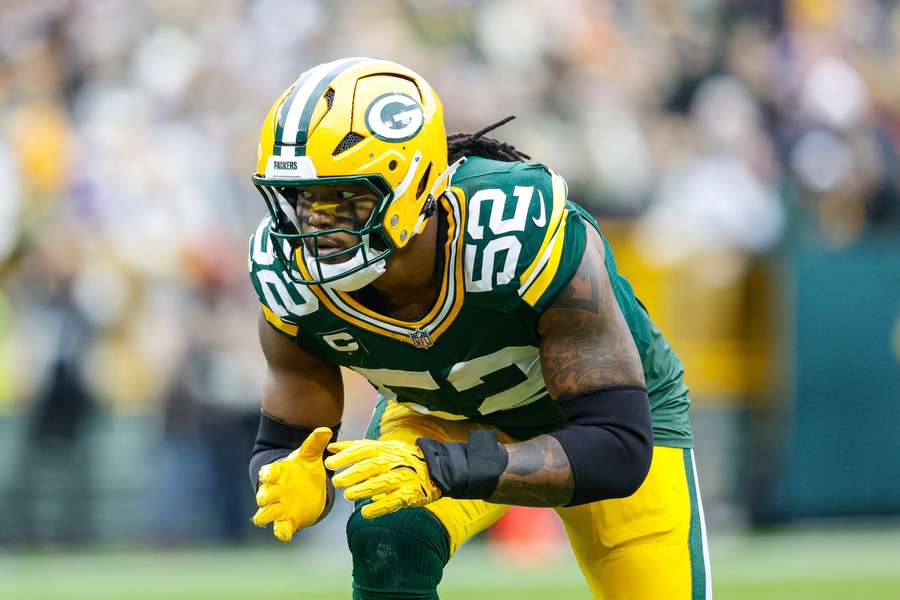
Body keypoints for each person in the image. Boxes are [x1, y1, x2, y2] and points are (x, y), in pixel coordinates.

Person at [246, 57, 711, 599]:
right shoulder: (287, 276)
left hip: (593, 417)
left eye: (345, 199)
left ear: (414, 184)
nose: (318, 226)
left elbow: (617, 446)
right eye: (303, 199)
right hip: (441, 418)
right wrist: (287, 477)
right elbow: (285, 441)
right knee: (387, 533)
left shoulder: (514, 229)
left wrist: (444, 468)